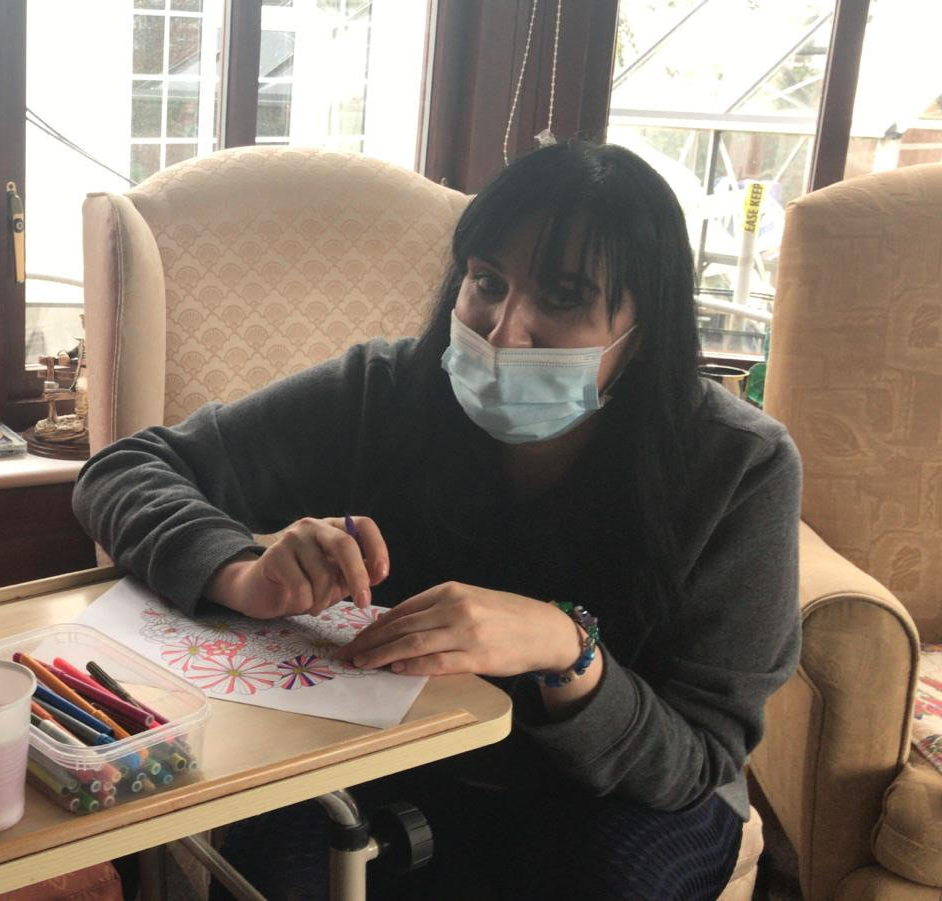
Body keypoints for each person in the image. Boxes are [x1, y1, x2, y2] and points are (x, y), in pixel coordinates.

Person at [72, 142, 801, 899]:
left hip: (621, 791)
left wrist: (569, 650)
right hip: (390, 752)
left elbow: (694, 759)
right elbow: (123, 471)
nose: (505, 330)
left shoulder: (739, 467)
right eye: (488, 283)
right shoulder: (384, 391)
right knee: (279, 872)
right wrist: (239, 572)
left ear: (644, 331)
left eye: (563, 297)